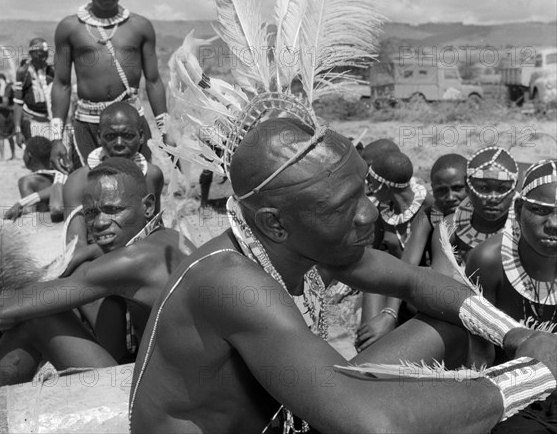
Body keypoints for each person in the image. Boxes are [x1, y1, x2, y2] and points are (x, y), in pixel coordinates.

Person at [129, 118, 557, 434]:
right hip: (289, 425)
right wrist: (533, 374)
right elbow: (373, 427)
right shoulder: (232, 285)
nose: (369, 213)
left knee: (451, 320)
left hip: (289, 415)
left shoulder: (300, 242)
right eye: (341, 207)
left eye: (363, 193)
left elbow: (414, 282)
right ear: (275, 223)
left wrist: (519, 337)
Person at [0, 158, 188, 387]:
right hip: (180, 387)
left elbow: (5, 309)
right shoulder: (170, 239)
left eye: (113, 210)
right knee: (106, 304)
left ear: (147, 206)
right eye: (90, 213)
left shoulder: (131, 260)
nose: (99, 223)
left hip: (162, 402)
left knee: (38, 318)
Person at [50, 0, 170, 172]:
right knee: (88, 193)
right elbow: (61, 84)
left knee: (137, 192)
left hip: (131, 124)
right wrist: (56, 138)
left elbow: (153, 81)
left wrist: (166, 130)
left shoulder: (140, 27)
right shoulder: (69, 28)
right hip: (87, 124)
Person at [464, 159, 557, 433]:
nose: (553, 223)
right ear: (518, 208)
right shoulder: (489, 261)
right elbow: (479, 353)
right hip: (512, 397)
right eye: (540, 210)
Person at [61, 102, 164, 273]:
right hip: (96, 266)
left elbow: (155, 229)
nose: (118, 143)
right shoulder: (78, 181)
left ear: (141, 136)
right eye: (110, 136)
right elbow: (76, 250)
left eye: (127, 135)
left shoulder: (152, 175)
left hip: (143, 260)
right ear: (99, 137)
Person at [357, 151, 432, 351]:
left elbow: (410, 267)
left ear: (384, 185)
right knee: (372, 282)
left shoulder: (428, 209)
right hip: (397, 285)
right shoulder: (384, 210)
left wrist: (389, 312)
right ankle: (369, 349)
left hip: (423, 288)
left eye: (371, 182)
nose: (369, 187)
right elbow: (371, 251)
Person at [431, 146, 519, 275]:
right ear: (467, 188)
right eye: (483, 188)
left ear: (514, 190)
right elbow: (440, 282)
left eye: (502, 189)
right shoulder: (448, 228)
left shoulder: (526, 228)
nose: (492, 198)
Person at [3, 136, 65, 222]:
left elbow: (30, 213)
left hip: (44, 227)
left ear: (29, 155)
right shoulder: (60, 175)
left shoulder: (27, 181)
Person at [13, 38, 54, 144]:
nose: (44, 57)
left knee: (52, 155)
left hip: (51, 121)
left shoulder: (51, 71)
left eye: (45, 54)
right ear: (32, 53)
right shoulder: (23, 72)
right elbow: (18, 103)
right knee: (35, 156)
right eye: (40, 54)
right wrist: (18, 130)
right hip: (31, 121)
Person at [0, 73, 15, 160]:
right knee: (8, 136)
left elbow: (5, 103)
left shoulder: (6, 88)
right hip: (6, 114)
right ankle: (11, 155)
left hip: (5, 115)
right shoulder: (6, 87)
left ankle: (3, 156)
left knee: (2, 135)